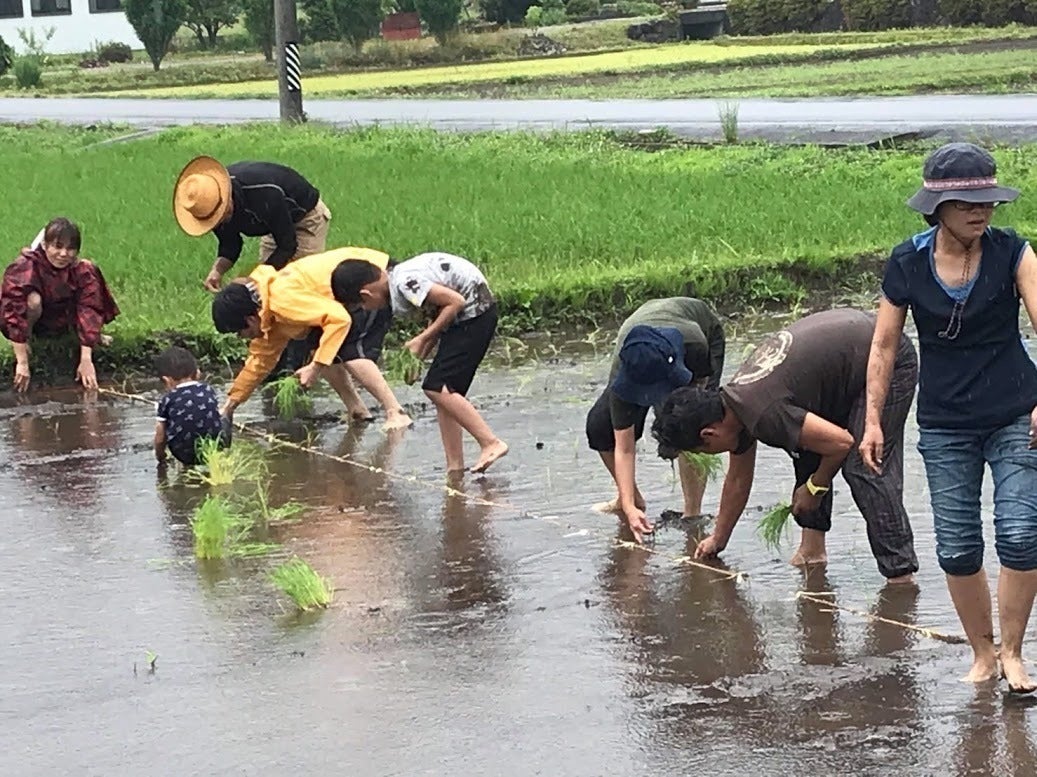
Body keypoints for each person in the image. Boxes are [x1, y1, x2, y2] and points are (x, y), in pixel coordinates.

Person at [860, 142, 1037, 693]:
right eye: (966, 203)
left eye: (986, 201)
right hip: (945, 423)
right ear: (937, 209)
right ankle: (982, 654)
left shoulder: (1014, 252)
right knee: (957, 545)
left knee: (1021, 532)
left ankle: (1013, 653)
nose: (980, 212)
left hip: (1015, 413)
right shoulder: (907, 261)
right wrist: (872, 421)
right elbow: (884, 345)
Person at [652, 308, 919, 585]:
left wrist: (815, 487)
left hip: (885, 355)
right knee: (806, 449)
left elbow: (842, 443)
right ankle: (812, 551)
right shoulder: (734, 406)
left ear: (709, 433)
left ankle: (900, 577)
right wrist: (718, 539)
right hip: (848, 357)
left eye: (701, 451)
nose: (710, 454)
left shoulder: (764, 412)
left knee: (864, 464)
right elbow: (738, 479)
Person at [331, 251, 508, 474]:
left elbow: (455, 302)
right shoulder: (399, 280)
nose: (367, 310)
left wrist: (422, 339)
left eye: (361, 306)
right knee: (445, 395)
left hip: (475, 314)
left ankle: (490, 442)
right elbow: (440, 314)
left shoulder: (405, 283)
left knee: (437, 387)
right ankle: (455, 466)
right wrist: (418, 356)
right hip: (466, 318)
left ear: (365, 294)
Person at [212, 246, 412, 430]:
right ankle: (357, 410)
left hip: (370, 281)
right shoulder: (267, 318)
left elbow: (340, 319)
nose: (242, 338)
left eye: (239, 332)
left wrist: (315, 367)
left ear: (250, 319)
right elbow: (259, 363)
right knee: (321, 346)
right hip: (345, 294)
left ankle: (396, 412)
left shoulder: (281, 299)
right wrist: (229, 407)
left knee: (349, 350)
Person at [173, 155, 332, 373]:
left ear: (226, 197)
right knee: (263, 300)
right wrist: (217, 270)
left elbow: (287, 245)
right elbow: (231, 243)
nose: (222, 221)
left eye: (223, 214)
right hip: (272, 228)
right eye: (215, 220)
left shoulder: (263, 193)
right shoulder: (209, 204)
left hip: (304, 220)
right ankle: (271, 362)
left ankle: (299, 366)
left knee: (297, 291)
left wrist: (256, 280)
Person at [585, 298, 726, 543]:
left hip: (700, 338)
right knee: (599, 427)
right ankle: (630, 499)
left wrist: (677, 429)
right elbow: (624, 448)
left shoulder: (695, 344)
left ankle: (692, 513)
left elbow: (697, 407)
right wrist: (629, 507)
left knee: (689, 426)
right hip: (648, 343)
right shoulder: (625, 368)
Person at [1, 217, 119, 392]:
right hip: (36, 320)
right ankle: (28, 340)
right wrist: (22, 362)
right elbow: (13, 311)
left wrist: (86, 359)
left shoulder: (82, 270)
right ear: (45, 245)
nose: (63, 254)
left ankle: (88, 337)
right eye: (57, 247)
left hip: (64, 318)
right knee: (32, 300)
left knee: (89, 285)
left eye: (70, 249)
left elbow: (90, 308)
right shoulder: (26, 267)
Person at [154, 346, 225, 467]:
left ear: (166, 380)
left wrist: (160, 457)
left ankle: (187, 466)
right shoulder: (208, 390)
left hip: (183, 454)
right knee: (223, 416)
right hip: (215, 447)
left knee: (171, 425)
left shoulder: (167, 399)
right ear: (198, 373)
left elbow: (160, 437)